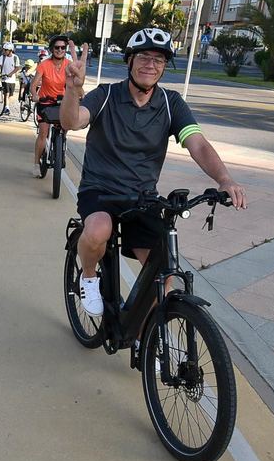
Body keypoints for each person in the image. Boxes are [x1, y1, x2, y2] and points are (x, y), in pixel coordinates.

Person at [63, 28, 248, 317]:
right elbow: (72, 121)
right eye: (144, 57)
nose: (151, 64)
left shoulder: (171, 103)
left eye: (159, 60)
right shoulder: (106, 95)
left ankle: (143, 334)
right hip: (100, 191)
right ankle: (88, 277)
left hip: (142, 197)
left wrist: (224, 179)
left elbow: (197, 144)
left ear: (164, 67)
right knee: (99, 229)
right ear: (129, 61)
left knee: (164, 269)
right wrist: (73, 90)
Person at [31, 34, 73, 177]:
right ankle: (37, 164)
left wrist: (82, 95)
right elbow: (34, 83)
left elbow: (75, 84)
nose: (60, 50)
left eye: (63, 47)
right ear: (51, 49)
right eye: (57, 47)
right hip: (45, 102)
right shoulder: (44, 64)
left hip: (62, 102)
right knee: (43, 133)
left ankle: (60, 146)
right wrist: (35, 95)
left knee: (63, 128)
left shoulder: (68, 65)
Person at [0, 44, 19, 116]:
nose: (5, 51)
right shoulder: (2, 57)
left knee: (10, 95)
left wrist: (11, 73)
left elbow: (17, 67)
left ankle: (7, 106)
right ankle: (6, 107)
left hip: (12, 79)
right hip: (5, 79)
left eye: (6, 50)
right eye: (4, 50)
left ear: (10, 50)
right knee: (6, 93)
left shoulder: (15, 58)